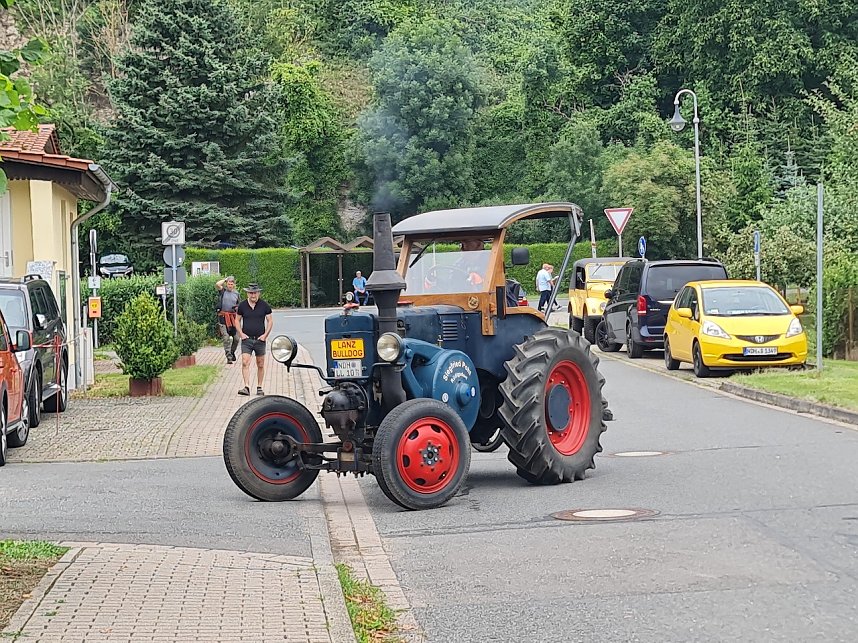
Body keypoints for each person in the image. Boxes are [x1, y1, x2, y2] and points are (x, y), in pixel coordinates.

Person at [236, 283, 273, 396]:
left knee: (260, 364)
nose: (253, 295)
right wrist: (241, 334)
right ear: (247, 293)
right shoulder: (242, 306)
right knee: (245, 362)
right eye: (251, 293)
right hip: (247, 339)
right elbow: (237, 320)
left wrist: (265, 335)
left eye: (255, 293)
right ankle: (246, 387)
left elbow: (270, 321)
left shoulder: (264, 305)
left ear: (259, 293)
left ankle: (259, 387)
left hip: (260, 340)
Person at [215, 275, 240, 364]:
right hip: (223, 318)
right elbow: (217, 284)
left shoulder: (236, 294)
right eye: (228, 284)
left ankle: (232, 352)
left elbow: (239, 306)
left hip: (233, 318)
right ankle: (229, 356)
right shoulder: (223, 291)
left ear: (234, 285)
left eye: (231, 284)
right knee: (226, 338)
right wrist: (225, 279)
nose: (230, 285)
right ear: (226, 284)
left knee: (236, 338)